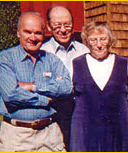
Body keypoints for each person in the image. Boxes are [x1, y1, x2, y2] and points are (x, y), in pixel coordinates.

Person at [0, 11, 72, 152]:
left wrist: (33, 87)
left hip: (50, 134)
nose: (33, 37)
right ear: (18, 33)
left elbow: (66, 87)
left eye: (38, 33)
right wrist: (46, 100)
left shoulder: (52, 60)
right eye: (27, 32)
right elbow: (11, 95)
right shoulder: (5, 59)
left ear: (44, 34)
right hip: (17, 135)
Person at [70, 21, 128, 152]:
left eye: (103, 39)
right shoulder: (76, 64)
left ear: (110, 40)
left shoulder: (124, 64)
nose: (99, 45)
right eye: (93, 40)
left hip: (116, 132)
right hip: (85, 132)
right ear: (86, 41)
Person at [40, 6, 89, 150]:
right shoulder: (42, 52)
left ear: (73, 24)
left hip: (79, 113)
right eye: (57, 26)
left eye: (67, 25)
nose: (63, 30)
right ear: (49, 27)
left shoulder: (84, 51)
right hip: (52, 114)